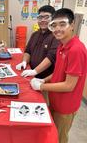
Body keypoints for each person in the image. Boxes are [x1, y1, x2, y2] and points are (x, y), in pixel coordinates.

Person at [30, 8, 87, 143]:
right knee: (51, 134)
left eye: (62, 24)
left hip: (65, 106)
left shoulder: (76, 50)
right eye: (54, 25)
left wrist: (42, 86)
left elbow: (69, 85)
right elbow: (57, 72)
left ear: (72, 25)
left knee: (59, 138)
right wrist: (42, 79)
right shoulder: (62, 46)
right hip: (55, 101)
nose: (57, 29)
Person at [16, 5, 59, 101]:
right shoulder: (35, 34)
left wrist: (35, 71)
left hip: (44, 80)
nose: (42, 20)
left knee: (42, 104)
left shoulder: (55, 36)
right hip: (31, 77)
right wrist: (24, 62)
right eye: (40, 17)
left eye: (46, 17)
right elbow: (27, 51)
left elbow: (51, 58)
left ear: (53, 19)